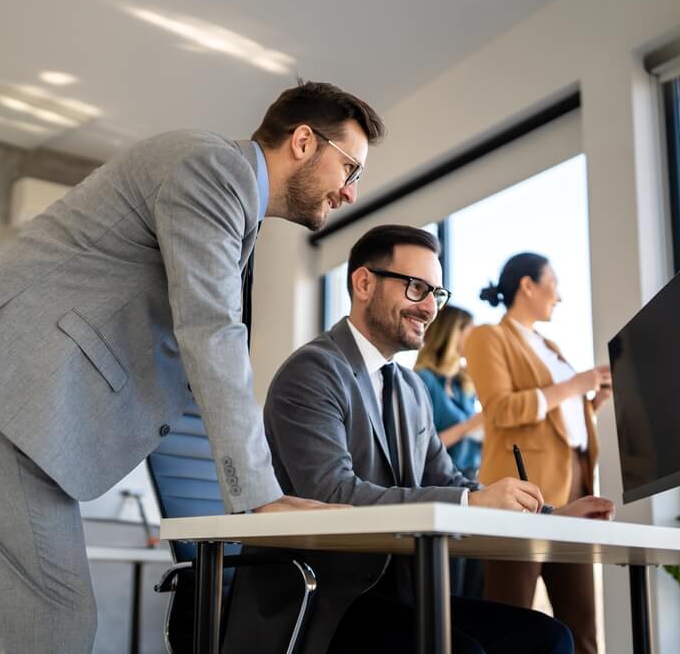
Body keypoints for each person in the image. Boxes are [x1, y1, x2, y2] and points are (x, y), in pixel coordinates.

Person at [0, 81, 383, 653]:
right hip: (0, 388)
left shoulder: (220, 188)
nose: (350, 192)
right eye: (349, 169)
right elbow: (210, 328)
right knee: (55, 624)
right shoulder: (214, 171)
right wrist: (259, 495)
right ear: (304, 142)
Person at [223, 226, 614, 654]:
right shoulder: (313, 372)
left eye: (436, 293)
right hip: (328, 600)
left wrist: (550, 516)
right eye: (416, 288)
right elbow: (332, 494)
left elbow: (450, 481)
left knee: (549, 636)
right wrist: (471, 503)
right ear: (364, 283)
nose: (430, 307)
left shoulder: (410, 389)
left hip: (401, 593)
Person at [465, 252, 613, 654]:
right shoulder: (486, 337)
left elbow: (555, 421)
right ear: (527, 286)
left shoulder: (549, 346)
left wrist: (591, 402)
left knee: (582, 628)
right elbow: (502, 408)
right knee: (511, 626)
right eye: (554, 285)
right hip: (521, 495)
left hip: (574, 492)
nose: (559, 297)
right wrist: (575, 384)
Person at [414, 304, 484, 598]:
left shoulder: (465, 384)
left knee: (474, 581)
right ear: (451, 333)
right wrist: (471, 425)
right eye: (468, 331)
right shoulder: (422, 380)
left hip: (471, 481)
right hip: (440, 485)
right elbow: (421, 443)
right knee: (449, 581)